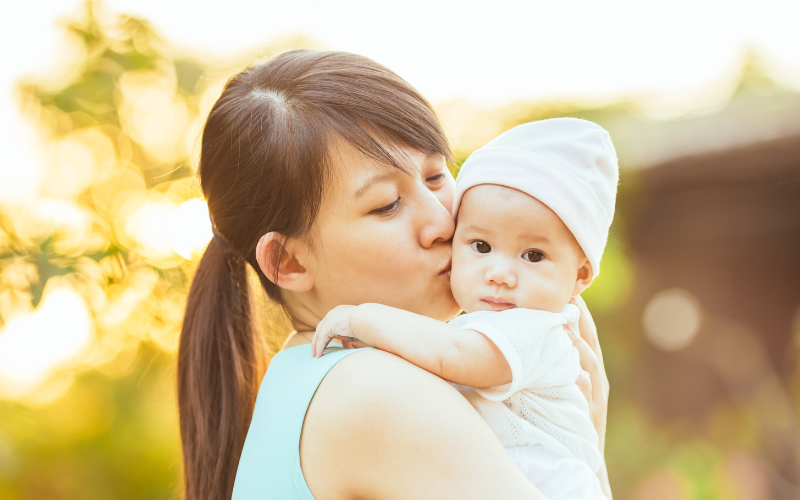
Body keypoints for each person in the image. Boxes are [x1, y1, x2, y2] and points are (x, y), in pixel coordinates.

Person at [177, 49, 610, 500]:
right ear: (289, 262)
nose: (442, 222)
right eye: (387, 204)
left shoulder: (298, 384)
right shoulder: (376, 393)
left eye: (436, 175)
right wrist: (588, 449)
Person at [312, 118, 618, 499]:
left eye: (533, 255)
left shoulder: (536, 328)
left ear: (581, 275)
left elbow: (453, 355)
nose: (500, 274)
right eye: (481, 246)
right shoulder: (475, 328)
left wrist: (361, 317)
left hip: (551, 479)